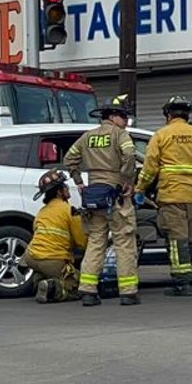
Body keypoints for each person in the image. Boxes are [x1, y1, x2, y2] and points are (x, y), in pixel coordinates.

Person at [136, 94, 192, 297]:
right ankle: (188, 278)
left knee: (176, 239)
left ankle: (181, 282)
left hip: (172, 195)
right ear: (188, 115)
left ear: (168, 115)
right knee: (191, 240)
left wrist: (140, 188)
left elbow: (149, 167)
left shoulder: (161, 135)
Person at [64, 94, 140, 306]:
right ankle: (128, 292)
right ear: (114, 116)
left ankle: (88, 291)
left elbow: (69, 158)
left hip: (94, 195)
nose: (126, 121)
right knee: (124, 242)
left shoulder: (87, 136)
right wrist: (126, 181)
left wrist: (79, 181)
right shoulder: (120, 135)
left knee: (96, 242)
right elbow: (131, 155)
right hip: (116, 195)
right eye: (124, 117)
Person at [22, 170, 86, 303]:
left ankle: (40, 279)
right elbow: (82, 241)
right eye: (65, 187)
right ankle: (53, 288)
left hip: (31, 257)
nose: (68, 189)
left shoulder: (42, 211)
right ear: (59, 192)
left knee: (46, 268)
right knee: (81, 285)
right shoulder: (69, 210)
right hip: (52, 259)